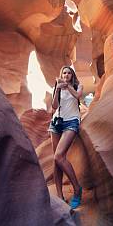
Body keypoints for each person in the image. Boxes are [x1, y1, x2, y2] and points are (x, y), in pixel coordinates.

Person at [48, 66, 83, 209]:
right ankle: (60, 195)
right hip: (56, 123)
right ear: (61, 74)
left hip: (72, 121)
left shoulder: (77, 85)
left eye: (69, 73)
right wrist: (57, 89)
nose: (66, 74)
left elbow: (78, 95)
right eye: (64, 72)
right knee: (56, 161)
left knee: (59, 156)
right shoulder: (58, 87)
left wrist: (67, 86)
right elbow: (54, 106)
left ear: (72, 75)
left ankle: (77, 189)